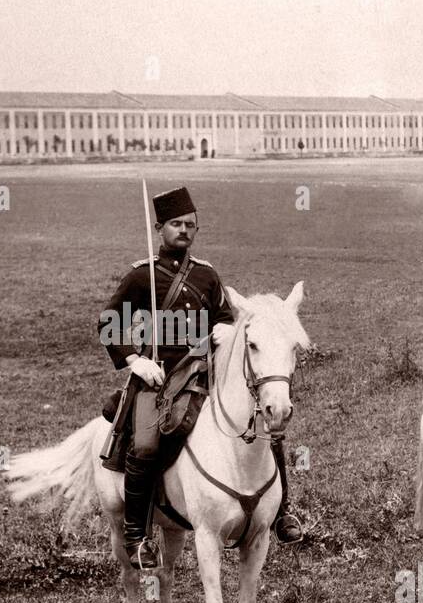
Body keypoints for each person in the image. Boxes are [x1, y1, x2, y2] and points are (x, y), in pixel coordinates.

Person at [99, 186, 302, 567]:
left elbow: (227, 318)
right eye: (176, 224)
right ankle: (137, 537)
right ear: (160, 228)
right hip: (157, 377)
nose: (184, 230)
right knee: (143, 446)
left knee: (264, 426)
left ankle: (281, 514)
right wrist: (132, 361)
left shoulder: (207, 275)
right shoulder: (142, 277)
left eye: (190, 224)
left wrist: (225, 330)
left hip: (205, 372)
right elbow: (109, 323)